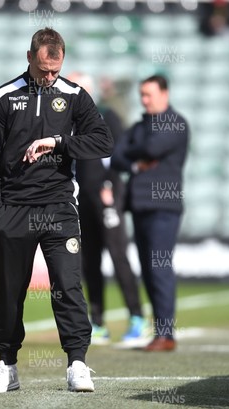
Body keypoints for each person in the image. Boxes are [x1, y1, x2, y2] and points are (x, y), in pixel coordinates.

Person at [0, 28, 113, 393]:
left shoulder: (73, 96)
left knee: (67, 286)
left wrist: (58, 142)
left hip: (59, 208)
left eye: (55, 70)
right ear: (29, 57)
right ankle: (6, 364)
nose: (49, 77)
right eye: (43, 70)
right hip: (13, 210)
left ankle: (78, 363)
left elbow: (103, 140)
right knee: (9, 290)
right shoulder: (3, 97)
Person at [67, 72, 149, 347]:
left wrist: (110, 185)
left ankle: (137, 317)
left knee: (118, 256)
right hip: (81, 198)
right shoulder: (67, 120)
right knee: (89, 261)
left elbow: (120, 154)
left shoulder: (106, 116)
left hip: (106, 196)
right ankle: (98, 322)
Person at [112, 75, 189, 352]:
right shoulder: (140, 125)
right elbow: (118, 155)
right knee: (147, 269)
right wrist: (138, 161)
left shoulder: (176, 123)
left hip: (164, 208)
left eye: (149, 94)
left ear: (164, 94)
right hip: (140, 205)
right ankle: (160, 330)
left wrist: (136, 154)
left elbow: (153, 147)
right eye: (142, 95)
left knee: (159, 267)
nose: (145, 100)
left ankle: (166, 334)